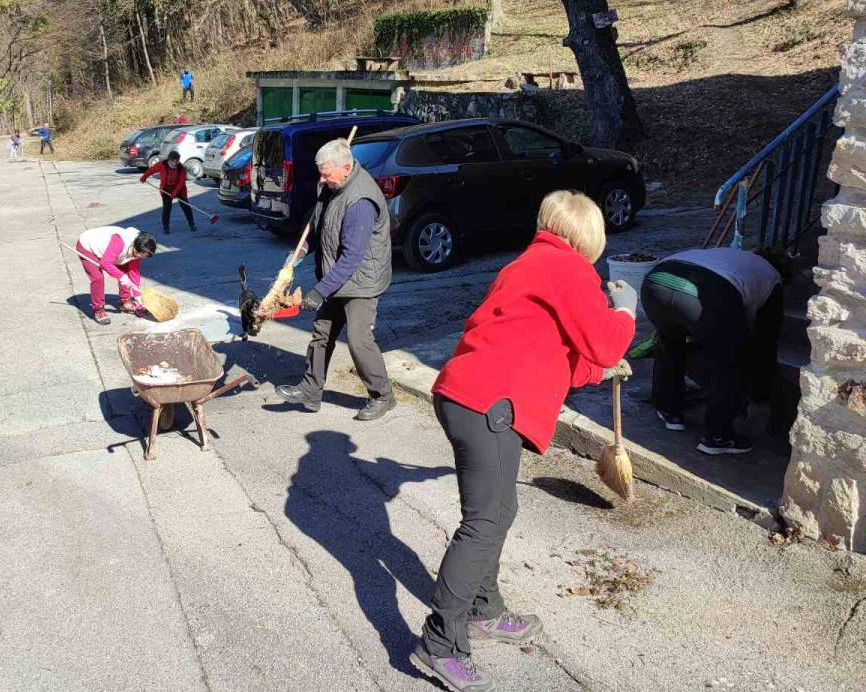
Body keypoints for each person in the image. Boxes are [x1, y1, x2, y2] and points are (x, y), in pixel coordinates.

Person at [409, 191, 635, 692]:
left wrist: (602, 368)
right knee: (483, 522)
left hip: (469, 395)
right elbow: (605, 337)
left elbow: (548, 345)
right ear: (586, 237)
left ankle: (483, 608)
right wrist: (626, 312)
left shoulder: (529, 264)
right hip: (486, 406)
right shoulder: (569, 270)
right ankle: (438, 643)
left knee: (500, 510)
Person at [274, 137, 395, 421]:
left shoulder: (361, 200)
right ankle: (311, 390)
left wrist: (319, 291)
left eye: (326, 173)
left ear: (346, 167)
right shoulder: (332, 187)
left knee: (358, 340)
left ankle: (383, 395)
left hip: (362, 280)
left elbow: (352, 257)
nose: (322, 178)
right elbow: (320, 225)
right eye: (321, 172)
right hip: (336, 275)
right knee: (322, 333)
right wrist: (303, 249)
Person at [641, 246, 786, 455]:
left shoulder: (732, 257)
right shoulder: (773, 280)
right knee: (729, 361)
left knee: (669, 343)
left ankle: (668, 409)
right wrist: (760, 394)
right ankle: (718, 436)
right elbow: (765, 342)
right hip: (703, 290)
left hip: (656, 282)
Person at [76, 226, 156, 325]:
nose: (142, 258)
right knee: (98, 278)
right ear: (135, 247)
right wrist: (121, 276)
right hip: (88, 246)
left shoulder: (140, 246)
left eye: (144, 256)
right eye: (141, 255)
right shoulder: (120, 242)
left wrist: (137, 294)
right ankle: (98, 309)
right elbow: (106, 263)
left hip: (112, 251)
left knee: (126, 270)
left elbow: (133, 271)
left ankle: (125, 301)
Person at [140, 150, 195, 234]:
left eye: (178, 161)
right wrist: (144, 176)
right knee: (167, 208)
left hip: (179, 189)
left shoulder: (181, 168)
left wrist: (175, 192)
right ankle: (166, 227)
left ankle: (191, 223)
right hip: (166, 189)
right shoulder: (162, 165)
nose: (177, 163)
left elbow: (181, 182)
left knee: (186, 206)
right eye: (175, 161)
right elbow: (152, 170)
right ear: (170, 160)